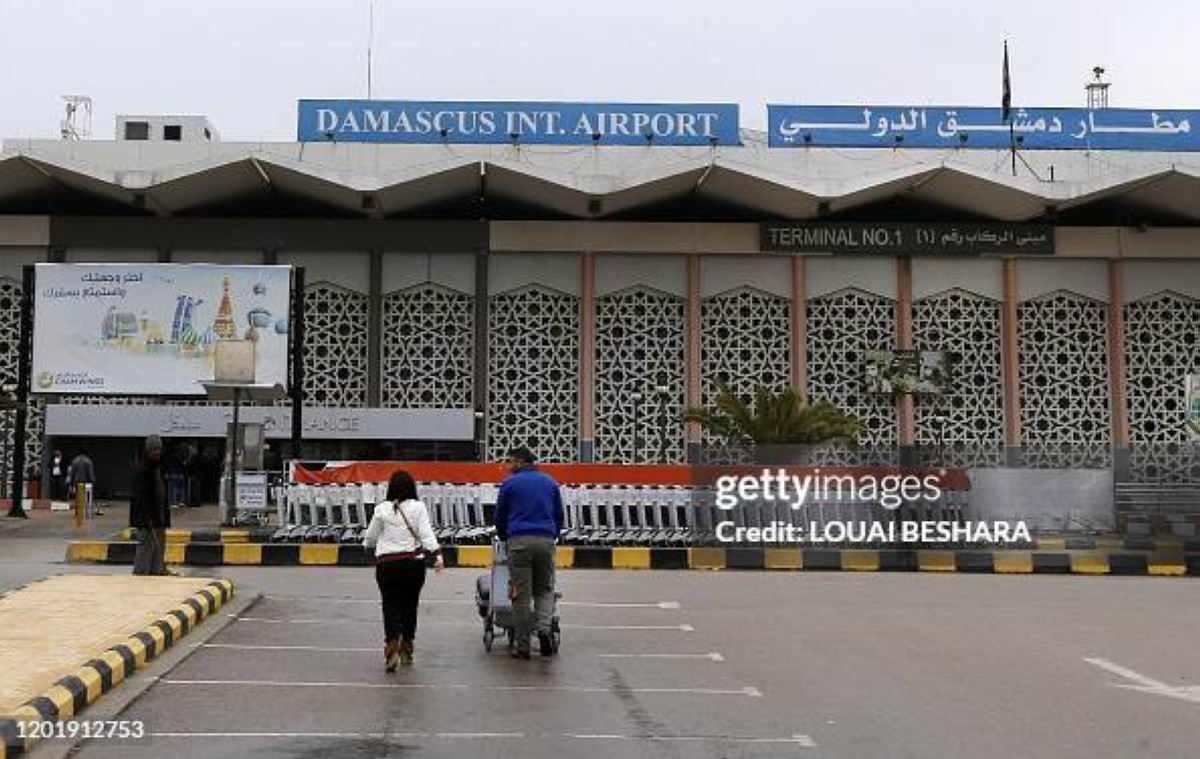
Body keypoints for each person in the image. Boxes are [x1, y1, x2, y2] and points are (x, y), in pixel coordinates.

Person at [363, 470, 443, 671]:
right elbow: (426, 534)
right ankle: (407, 647)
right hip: (413, 565)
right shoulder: (418, 507)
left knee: (389, 605)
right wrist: (437, 554)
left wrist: (368, 547)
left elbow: (371, 537)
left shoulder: (381, 509)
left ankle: (391, 648)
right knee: (410, 605)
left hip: (387, 565)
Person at [494, 446, 563, 660]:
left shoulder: (509, 483)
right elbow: (559, 514)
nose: (508, 466)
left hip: (519, 542)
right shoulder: (550, 482)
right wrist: (551, 535)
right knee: (544, 589)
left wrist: (505, 537)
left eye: (510, 461)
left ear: (520, 461)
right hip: (546, 540)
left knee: (521, 595)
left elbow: (500, 516)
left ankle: (522, 646)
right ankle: (543, 631)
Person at [130, 436, 171, 576]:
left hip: (159, 516)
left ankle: (157, 571)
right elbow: (140, 497)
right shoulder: (143, 469)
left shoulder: (158, 468)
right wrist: (147, 518)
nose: (158, 452)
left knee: (158, 546)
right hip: (147, 517)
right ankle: (141, 573)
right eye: (154, 449)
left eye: (159, 449)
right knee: (146, 546)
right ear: (148, 451)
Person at [66, 450, 100, 516]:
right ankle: (88, 512)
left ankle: (78, 512)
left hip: (77, 481)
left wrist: (71, 483)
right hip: (86, 481)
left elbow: (72, 473)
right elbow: (90, 473)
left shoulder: (74, 461)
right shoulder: (88, 461)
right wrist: (93, 481)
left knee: (78, 497)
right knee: (88, 497)